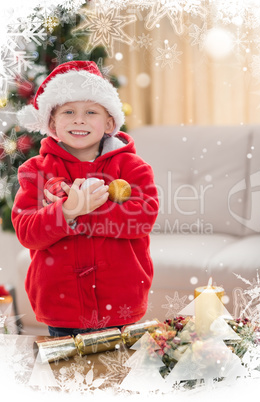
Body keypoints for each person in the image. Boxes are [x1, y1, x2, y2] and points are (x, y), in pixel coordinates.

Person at [11, 61, 159, 337]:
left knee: (119, 374)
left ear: (110, 122)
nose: (79, 119)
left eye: (91, 111)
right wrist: (66, 212)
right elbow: (27, 231)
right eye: (68, 111)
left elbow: (142, 219)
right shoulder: (35, 171)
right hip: (61, 304)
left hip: (121, 300)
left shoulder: (133, 167)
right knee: (69, 377)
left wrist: (85, 211)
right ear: (52, 122)